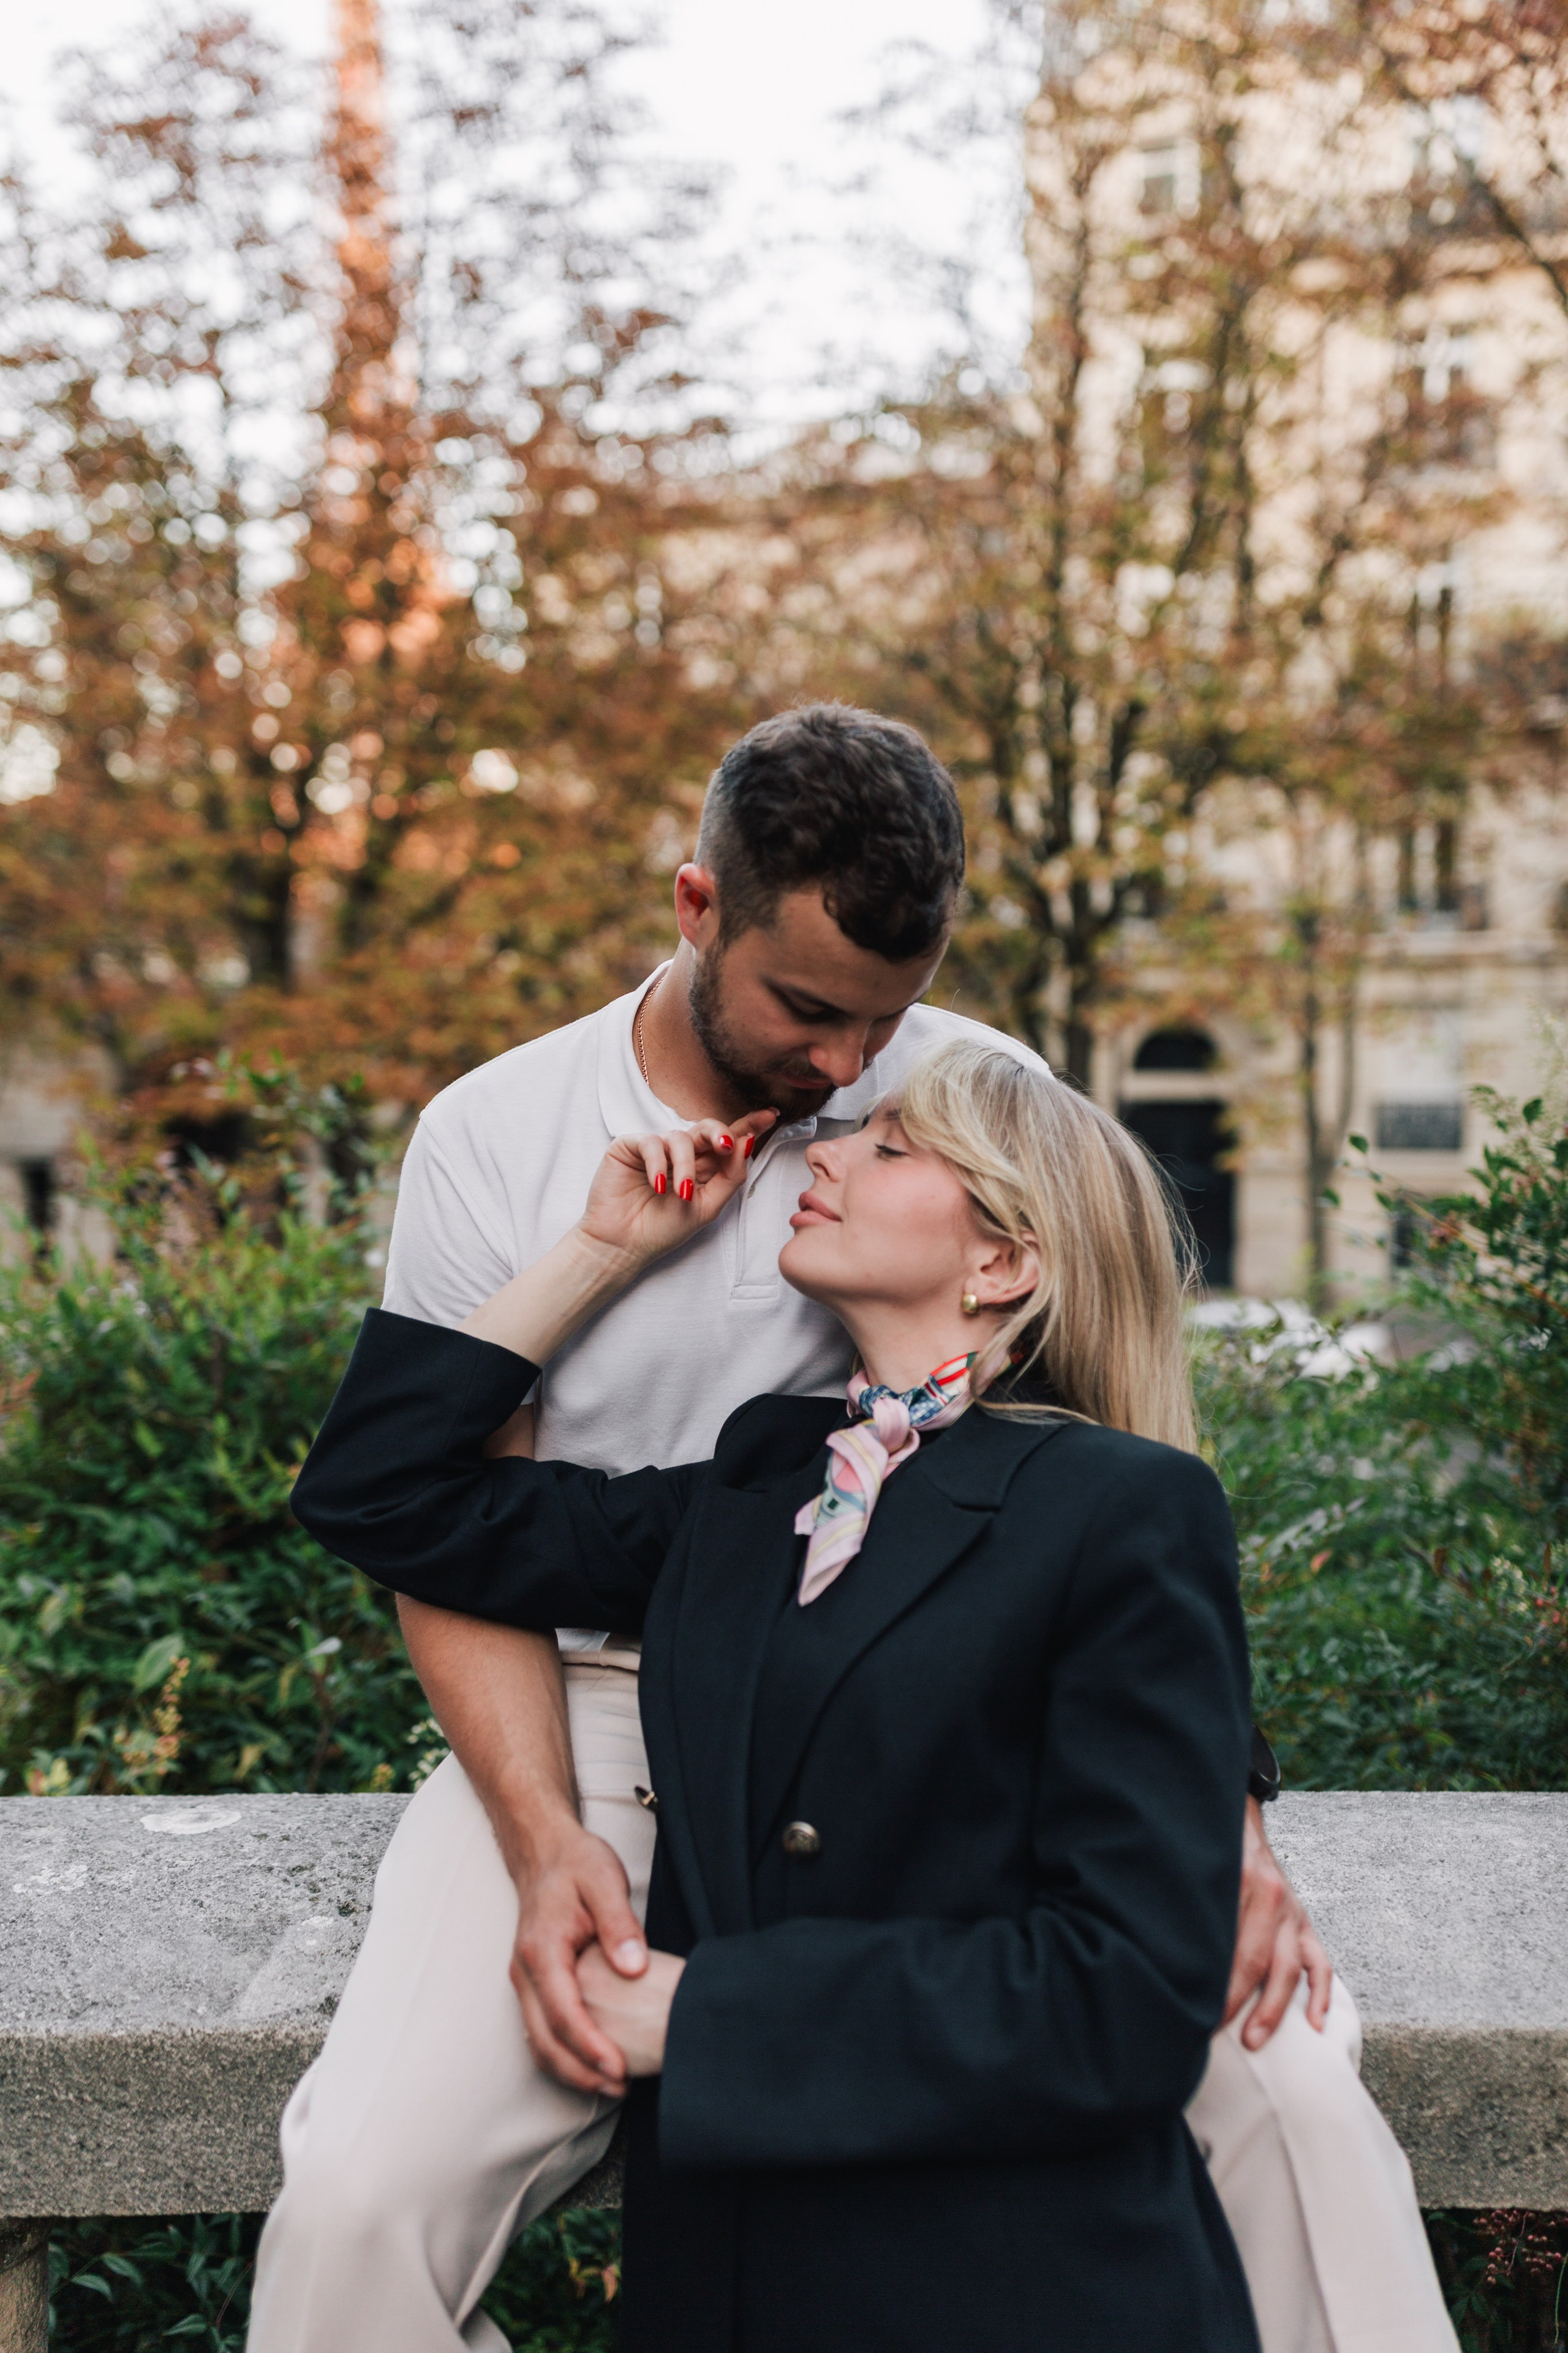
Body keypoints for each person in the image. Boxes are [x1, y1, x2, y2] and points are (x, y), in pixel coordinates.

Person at [246, 704, 1456, 2353]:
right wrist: (545, 1845)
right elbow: (432, 1524)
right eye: (810, 1012)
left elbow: (1121, 1455)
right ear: (698, 910)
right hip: (597, 1695)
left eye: (879, 1033)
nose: (842, 1074)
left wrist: (1216, 1811)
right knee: (357, 2202)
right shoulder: (498, 1140)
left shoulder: (972, 1098)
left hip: (939, 1704)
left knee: (1295, 2094)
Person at [290, 1040, 1262, 2351]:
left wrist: (706, 2015)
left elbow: (1129, 1994)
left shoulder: (1122, 1508)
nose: (825, 1146)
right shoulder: (759, 1482)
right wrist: (598, 1249)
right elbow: (385, 1497)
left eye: (891, 1144)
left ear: (1001, 1263)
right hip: (737, 2279)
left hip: (1011, 2281)